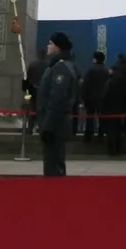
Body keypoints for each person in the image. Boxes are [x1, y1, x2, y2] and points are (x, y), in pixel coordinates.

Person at [35, 32, 78, 177]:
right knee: (52, 162)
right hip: (54, 123)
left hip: (55, 125)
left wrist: (48, 126)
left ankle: (54, 196)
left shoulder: (61, 68)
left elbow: (58, 98)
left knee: (53, 167)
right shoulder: (57, 66)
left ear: (58, 48)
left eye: (50, 43)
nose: (48, 46)